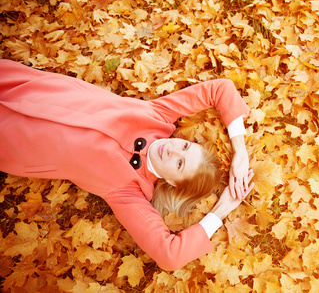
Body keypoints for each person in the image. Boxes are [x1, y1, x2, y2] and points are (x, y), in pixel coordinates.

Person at [0, 59, 254, 271]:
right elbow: (220, 89)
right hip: (23, 85)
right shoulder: (158, 115)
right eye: (185, 146)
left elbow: (170, 256)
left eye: (179, 164)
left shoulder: (129, 193)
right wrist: (240, 151)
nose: (173, 149)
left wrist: (220, 211)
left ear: (172, 182)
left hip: (12, 138)